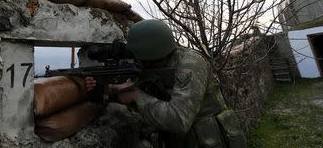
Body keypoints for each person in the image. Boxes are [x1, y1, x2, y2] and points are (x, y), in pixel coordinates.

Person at [85, 19, 245, 148]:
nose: (139, 63)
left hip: (212, 139)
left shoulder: (190, 64)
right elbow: (154, 100)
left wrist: (136, 96)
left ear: (151, 56)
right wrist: (109, 90)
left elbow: (179, 120)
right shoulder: (156, 65)